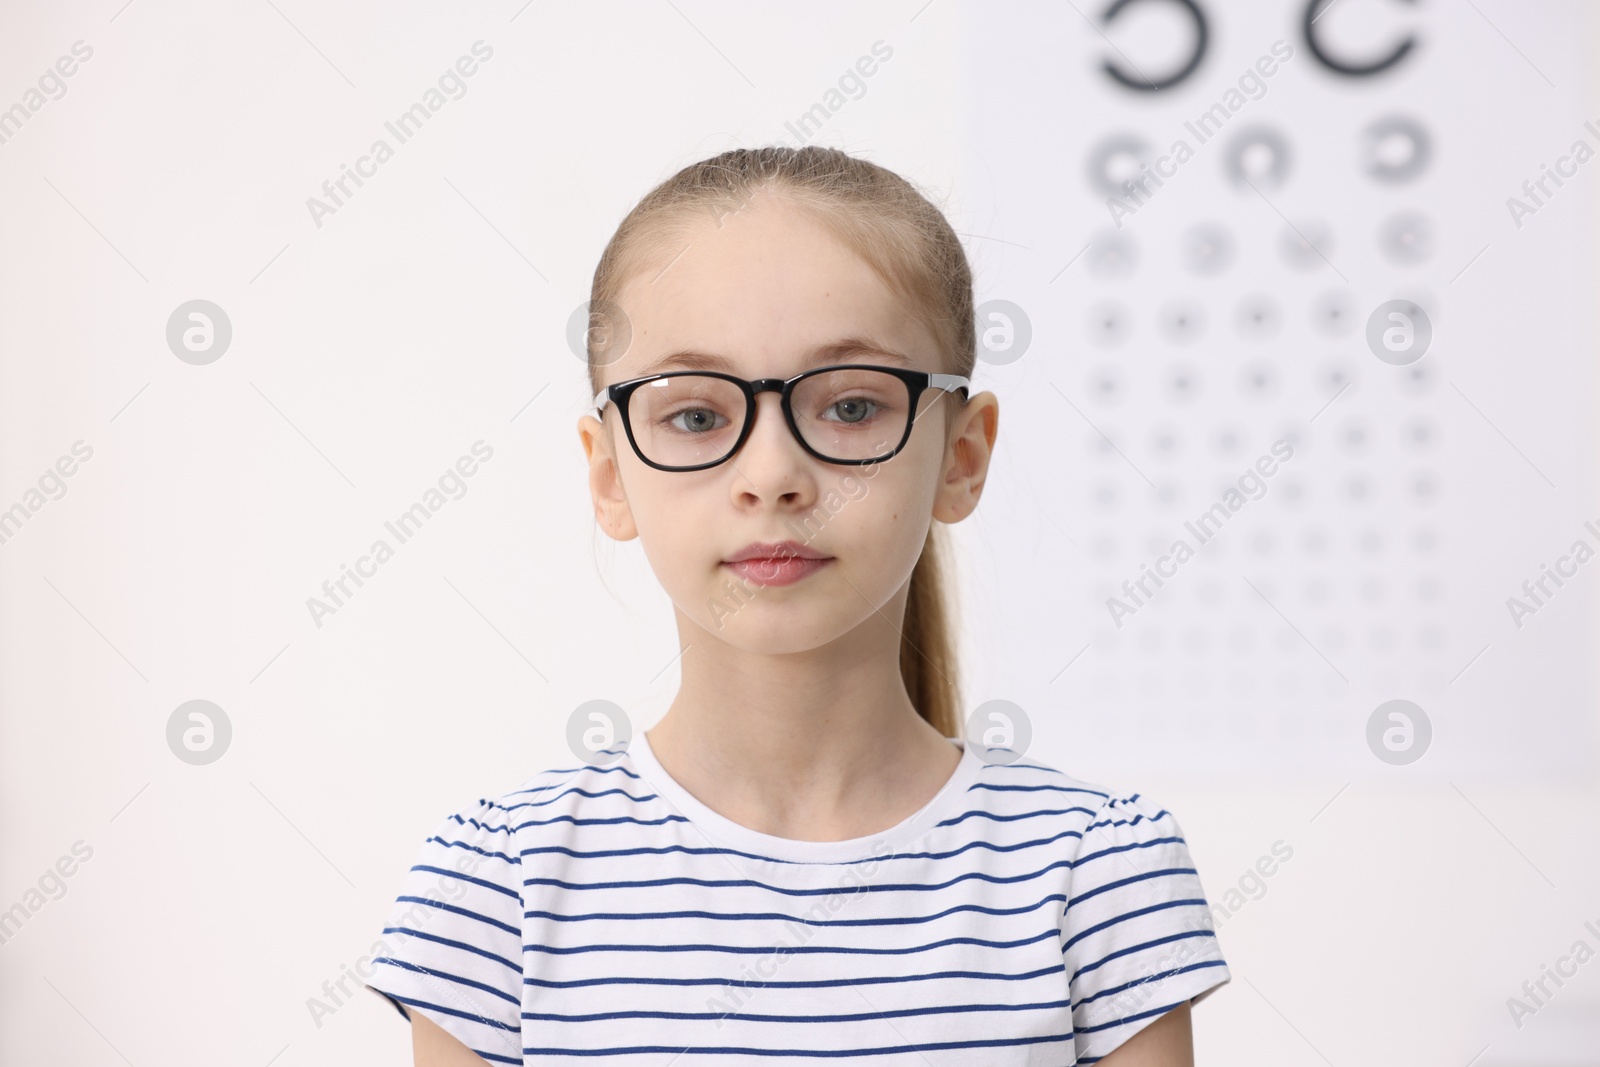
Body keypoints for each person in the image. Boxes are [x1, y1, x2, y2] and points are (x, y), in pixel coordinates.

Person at [365, 144, 1230, 1066]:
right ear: (608, 473)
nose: (772, 475)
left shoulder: (1092, 871)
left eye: (851, 407)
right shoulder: (498, 884)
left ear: (962, 455)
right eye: (694, 415)